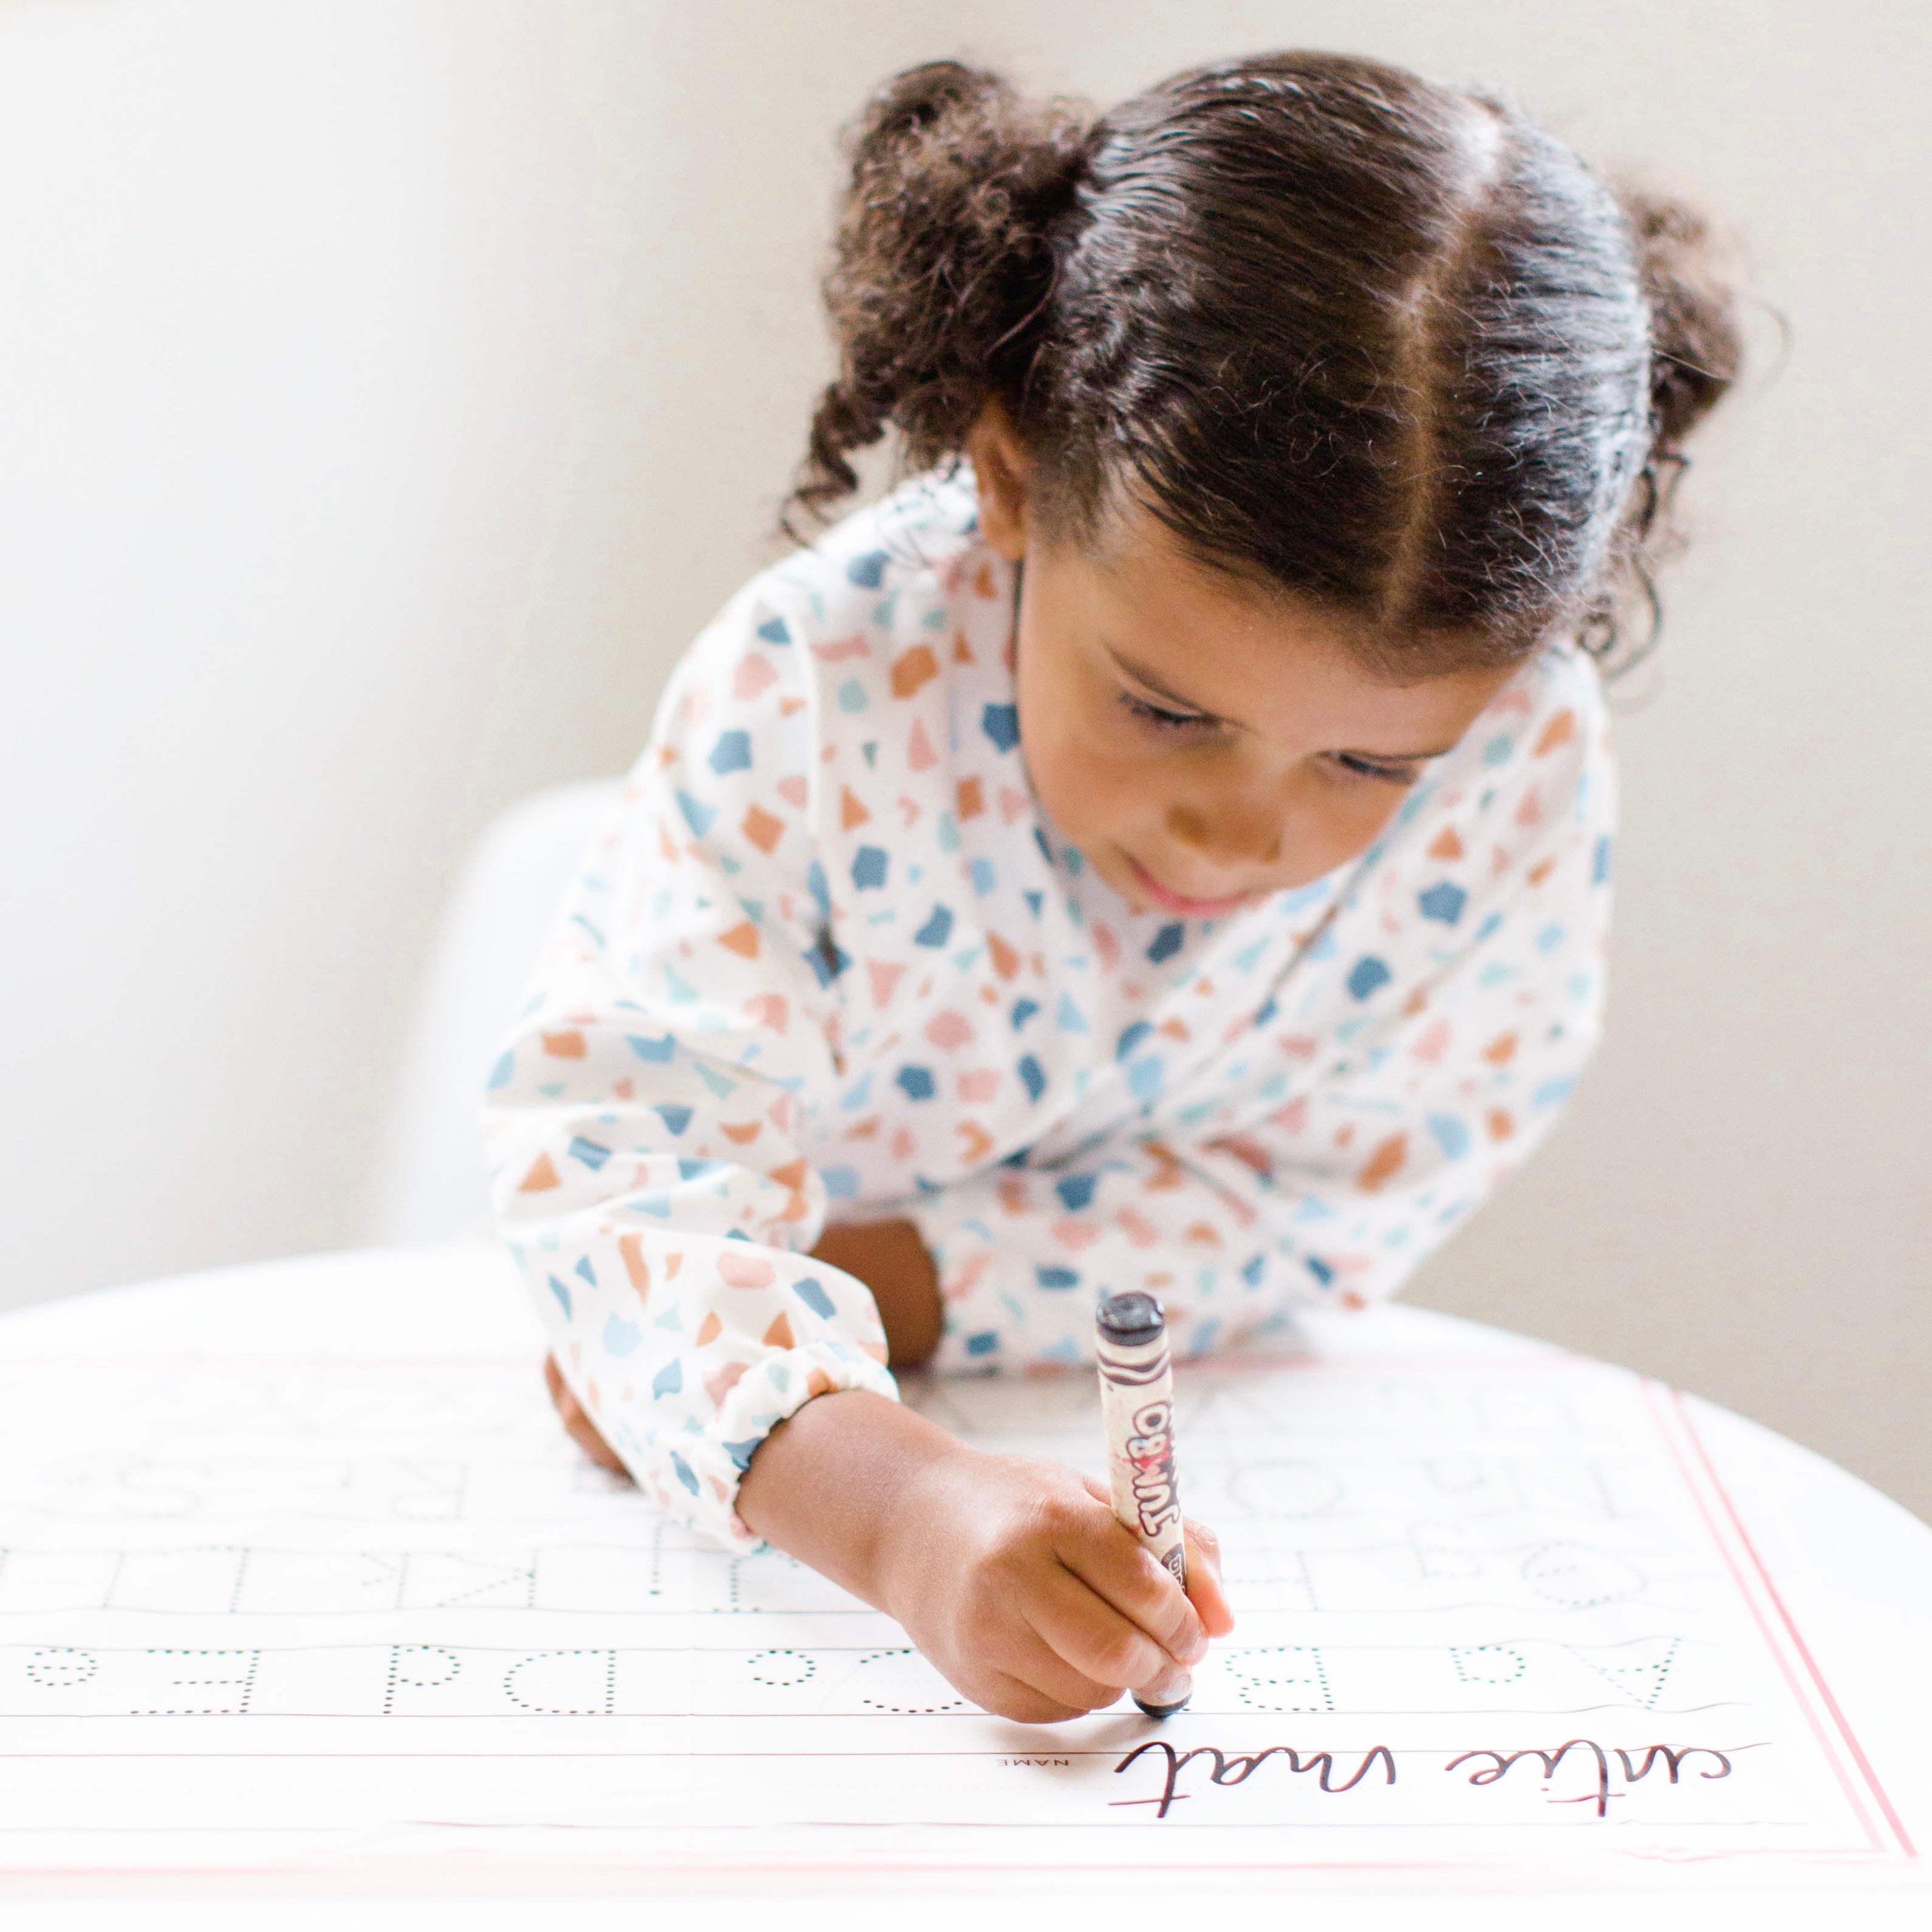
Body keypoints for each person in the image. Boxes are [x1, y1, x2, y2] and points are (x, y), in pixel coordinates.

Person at [482, 52, 1739, 1724]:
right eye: (1166, 709)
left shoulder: (1522, 754)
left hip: (1021, 1390)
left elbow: (1363, 1180)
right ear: (1010, 476)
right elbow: (629, 1201)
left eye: (1368, 767)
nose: (1238, 836)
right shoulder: (819, 692)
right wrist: (890, 1496)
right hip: (709, 1514)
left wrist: (892, 1279)